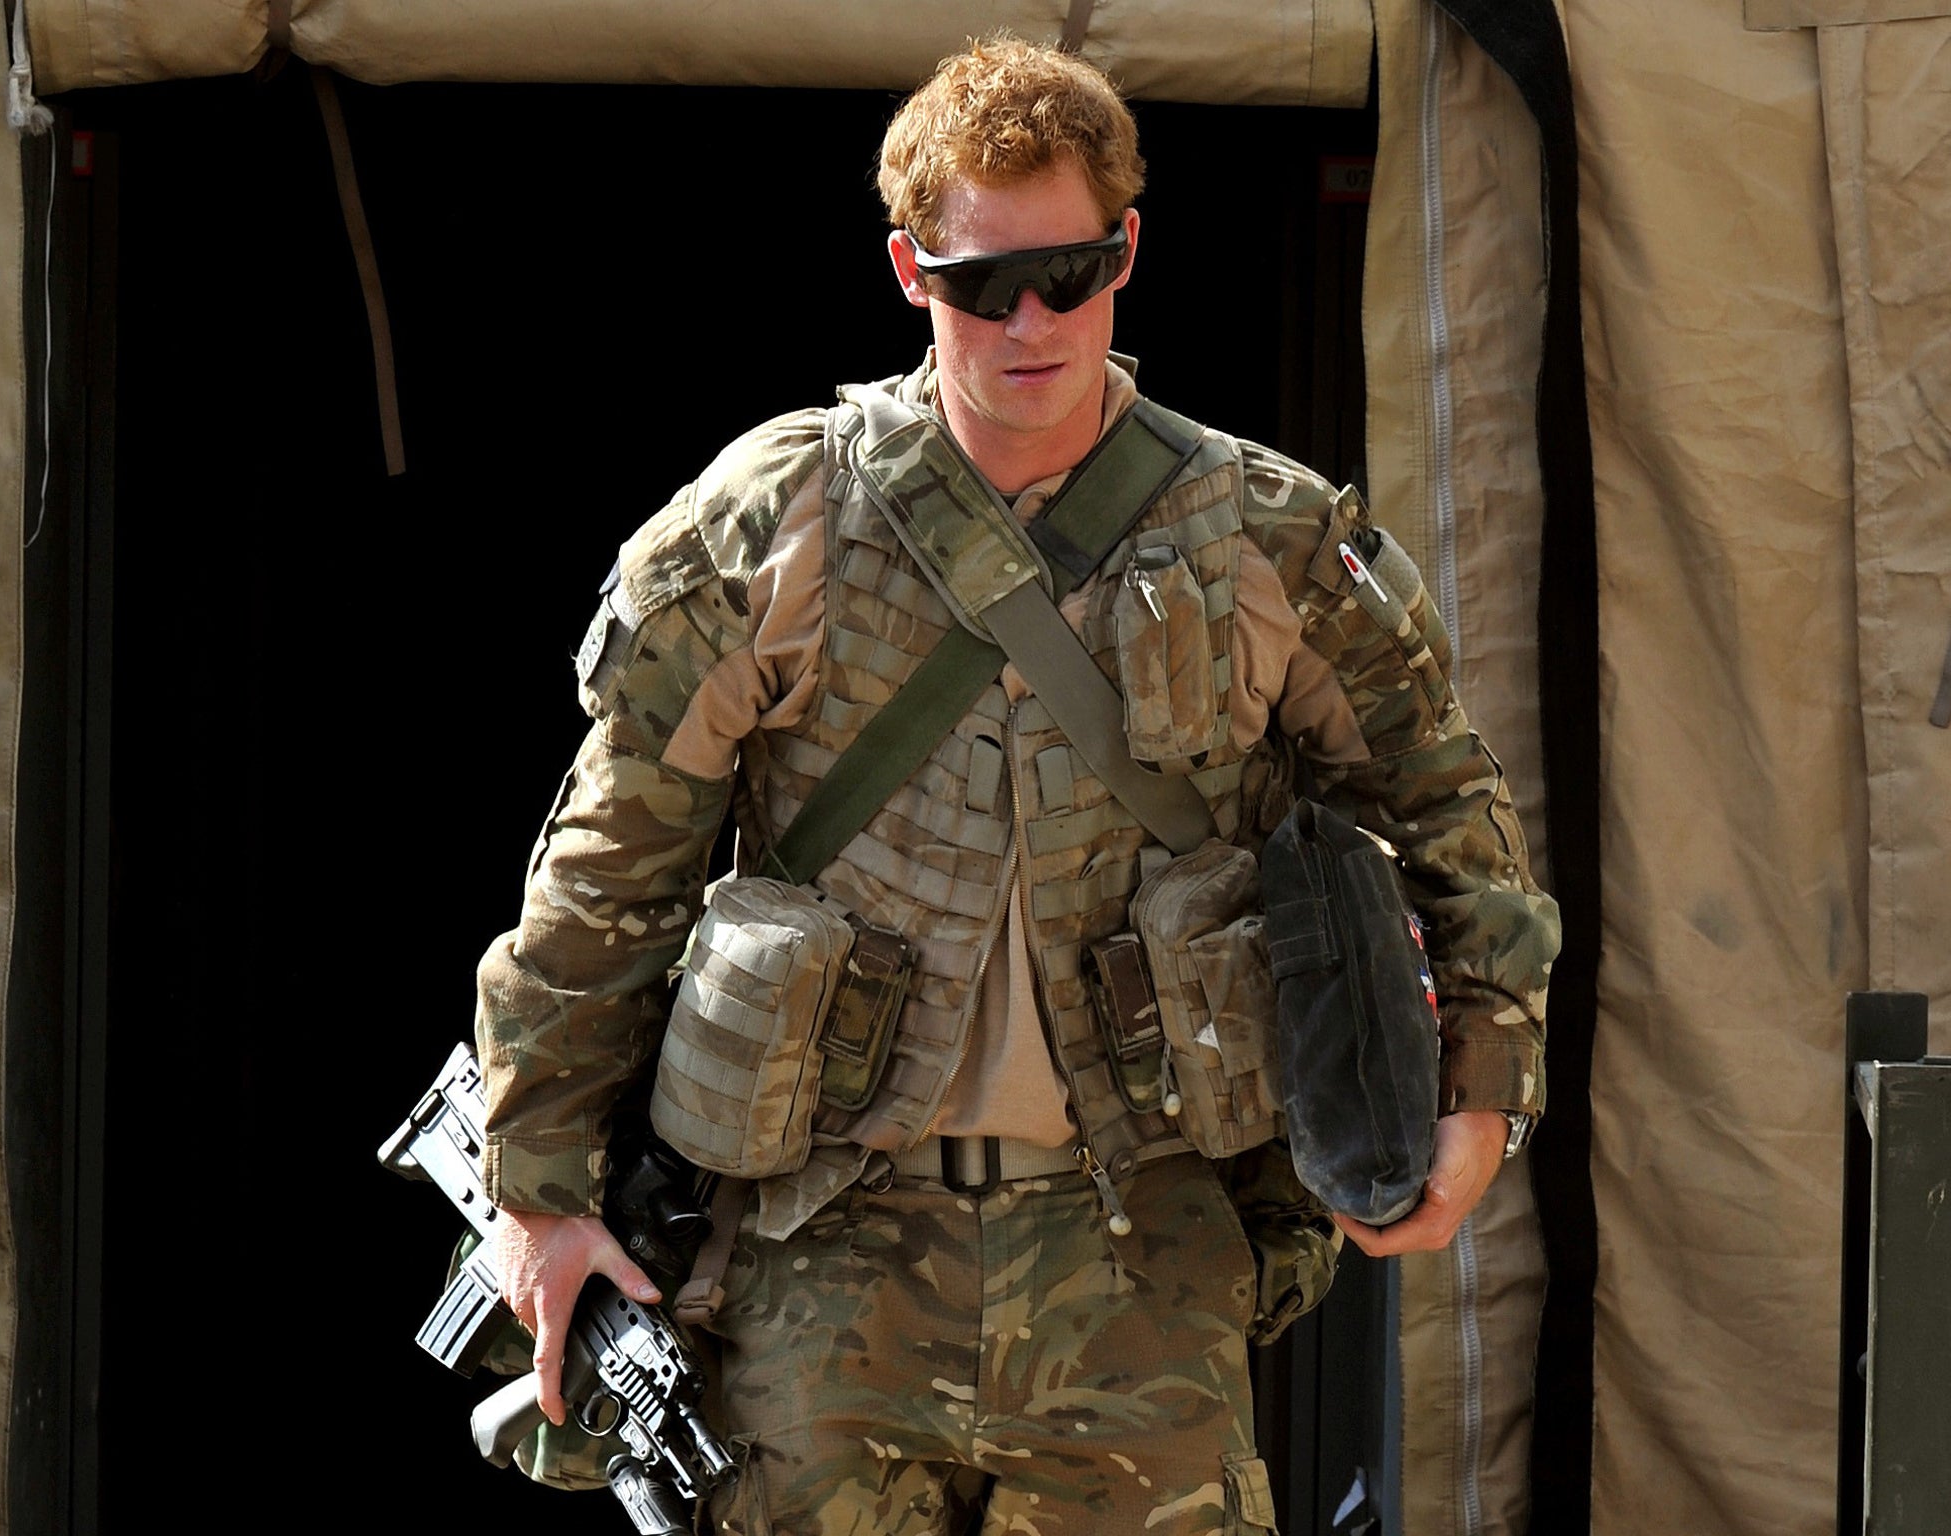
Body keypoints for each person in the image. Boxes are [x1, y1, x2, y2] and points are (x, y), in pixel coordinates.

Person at [475, 37, 1559, 1536]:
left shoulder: (1267, 537)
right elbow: (611, 870)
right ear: (912, 271)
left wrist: (1486, 1096)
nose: (1033, 319)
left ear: (1130, 248)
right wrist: (540, 1189)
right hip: (822, 1254)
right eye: (987, 285)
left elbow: (1451, 806)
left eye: (1073, 269)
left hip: (1143, 1251)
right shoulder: (773, 525)